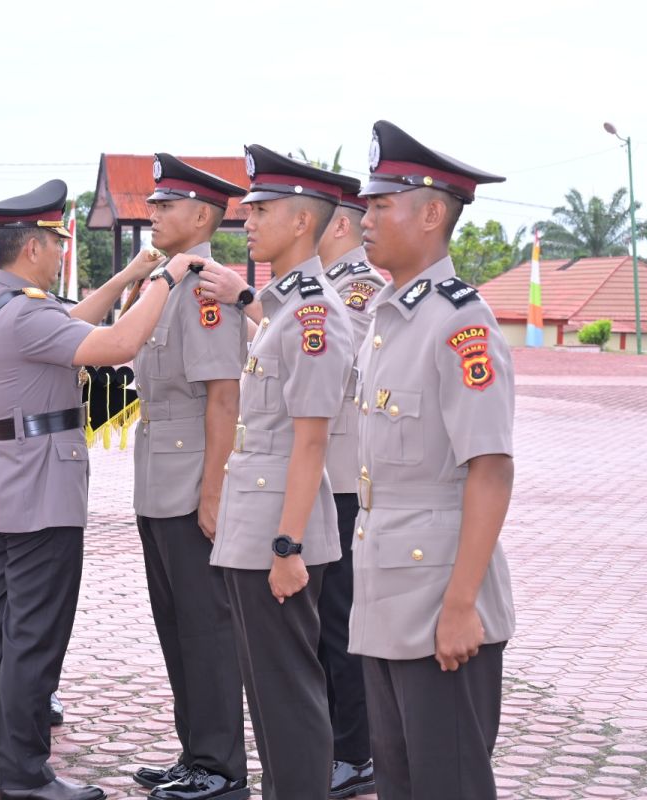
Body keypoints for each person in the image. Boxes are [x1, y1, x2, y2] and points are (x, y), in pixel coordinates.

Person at [0, 178, 191, 800]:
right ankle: (26, 774)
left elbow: (73, 322)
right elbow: (114, 344)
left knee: (3, 630)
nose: (62, 249)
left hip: (7, 489)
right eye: (58, 240)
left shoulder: (1, 303)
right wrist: (167, 281)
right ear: (35, 246)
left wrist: (129, 279)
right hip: (40, 495)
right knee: (34, 638)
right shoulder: (28, 313)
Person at [351, 120, 515, 800]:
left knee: (448, 786)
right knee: (401, 784)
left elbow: (491, 469)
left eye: (379, 205)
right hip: (387, 596)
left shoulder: (460, 324)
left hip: (441, 601)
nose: (364, 218)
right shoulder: (391, 320)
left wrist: (459, 605)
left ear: (430, 214)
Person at [194, 145, 355, 800]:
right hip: (253, 524)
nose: (247, 219)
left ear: (300, 223)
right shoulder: (284, 307)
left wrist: (288, 548)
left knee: (289, 697)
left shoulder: (315, 315)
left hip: (278, 536)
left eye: (261, 210)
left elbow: (311, 443)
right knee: (269, 697)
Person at [126, 153, 250, 800]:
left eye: (164, 206)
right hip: (158, 475)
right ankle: (195, 752)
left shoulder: (208, 288)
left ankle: (222, 768)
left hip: (190, 482)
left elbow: (224, 399)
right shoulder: (169, 283)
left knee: (206, 628)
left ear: (201, 216)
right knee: (175, 625)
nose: (153, 214)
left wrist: (215, 493)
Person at [315, 187, 386, 798]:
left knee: (339, 622)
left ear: (337, 225)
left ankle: (355, 751)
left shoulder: (358, 287)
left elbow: (336, 355)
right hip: (319, 478)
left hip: (341, 479)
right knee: (320, 623)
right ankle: (335, 743)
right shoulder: (316, 287)